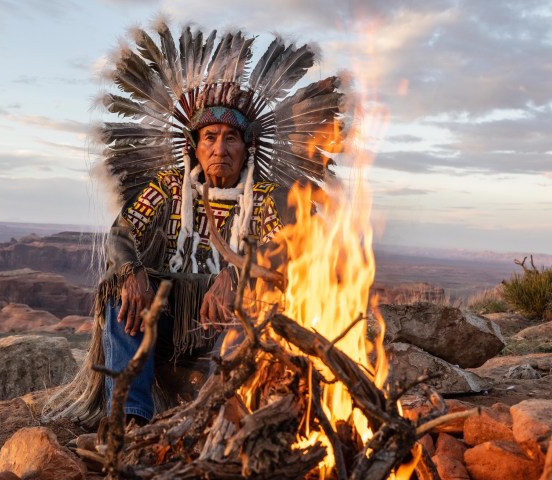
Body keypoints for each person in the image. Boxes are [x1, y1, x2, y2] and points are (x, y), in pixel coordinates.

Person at [43, 21, 345, 428]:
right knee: (121, 298)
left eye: (231, 138)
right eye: (210, 137)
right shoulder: (169, 187)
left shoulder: (265, 198)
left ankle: (220, 415)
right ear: (195, 146)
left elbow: (285, 251)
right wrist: (132, 273)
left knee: (257, 314)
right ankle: (130, 417)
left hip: (227, 324)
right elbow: (121, 234)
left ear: (247, 147)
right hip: (167, 318)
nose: (220, 148)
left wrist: (237, 277)